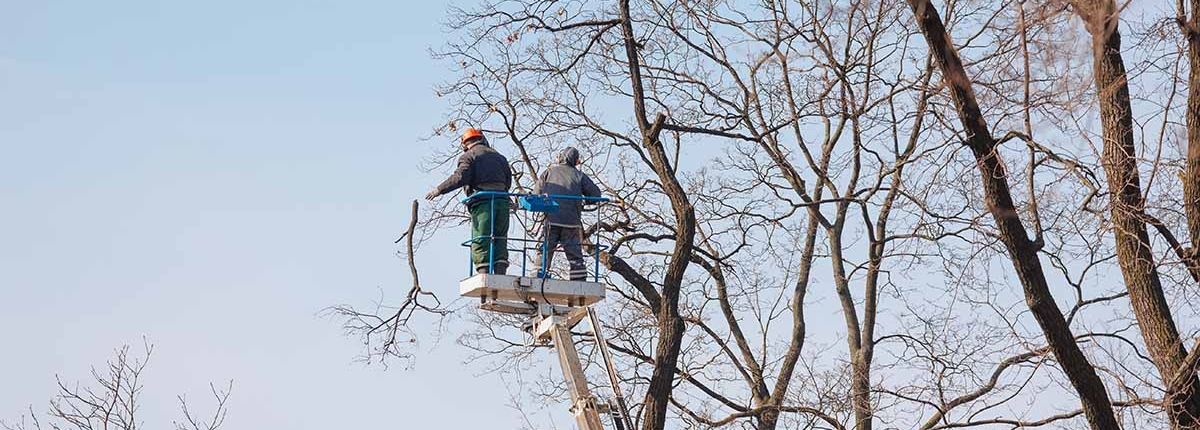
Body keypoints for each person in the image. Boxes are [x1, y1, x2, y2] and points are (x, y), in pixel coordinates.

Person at [425, 128, 513, 275]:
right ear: (482, 139)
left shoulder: (468, 156)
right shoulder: (500, 157)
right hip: (502, 202)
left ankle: (483, 272)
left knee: (481, 238)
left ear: (465, 144)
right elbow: (508, 181)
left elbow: (460, 177)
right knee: (500, 238)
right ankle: (500, 272)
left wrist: (439, 190)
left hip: (483, 203)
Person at [533, 147, 602, 281]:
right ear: (576, 162)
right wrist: (586, 201)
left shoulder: (548, 172)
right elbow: (596, 195)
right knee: (575, 254)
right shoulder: (579, 176)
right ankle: (579, 280)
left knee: (545, 249)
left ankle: (538, 276)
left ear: (560, 157)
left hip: (551, 220)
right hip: (571, 222)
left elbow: (536, 195)